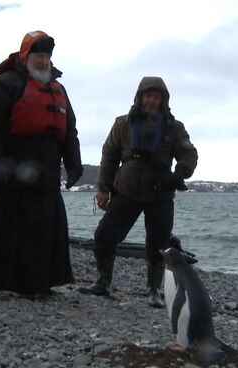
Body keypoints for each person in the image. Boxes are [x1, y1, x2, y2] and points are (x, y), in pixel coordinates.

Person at [79, 76, 198, 308]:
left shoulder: (175, 128)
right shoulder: (122, 124)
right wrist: (103, 188)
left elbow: (189, 154)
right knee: (104, 236)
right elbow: (109, 156)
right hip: (126, 190)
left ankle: (154, 290)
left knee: (158, 244)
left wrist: (181, 171)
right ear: (140, 97)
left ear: (163, 100)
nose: (151, 100)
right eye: (147, 96)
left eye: (156, 96)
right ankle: (103, 282)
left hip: (160, 193)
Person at [0, 31, 83, 296]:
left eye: (47, 56)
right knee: (16, 225)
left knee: (47, 225)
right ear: (26, 56)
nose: (44, 60)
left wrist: (74, 165)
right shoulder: (5, 84)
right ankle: (14, 283)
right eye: (39, 55)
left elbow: (69, 130)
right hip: (15, 166)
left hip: (48, 168)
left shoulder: (59, 89)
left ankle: (45, 281)